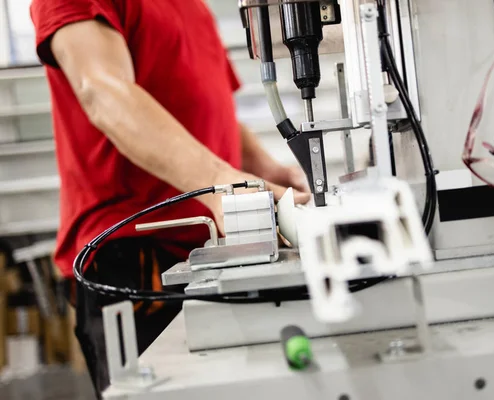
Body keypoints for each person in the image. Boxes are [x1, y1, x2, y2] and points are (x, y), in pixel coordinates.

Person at [29, 0, 310, 395]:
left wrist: (269, 169)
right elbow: (103, 91)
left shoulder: (192, 5)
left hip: (208, 251)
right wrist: (218, 180)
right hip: (135, 257)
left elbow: (209, 104)